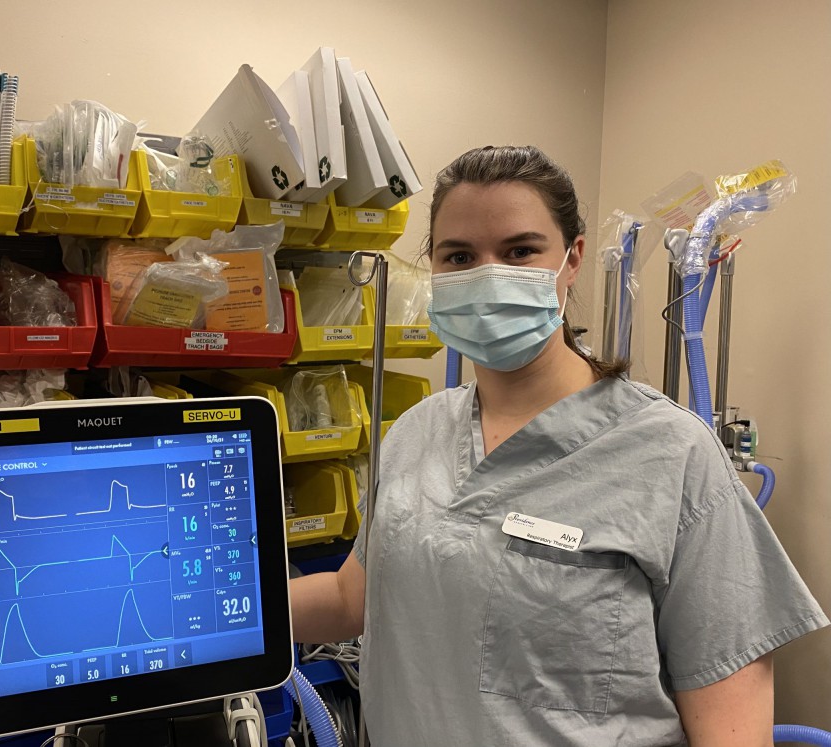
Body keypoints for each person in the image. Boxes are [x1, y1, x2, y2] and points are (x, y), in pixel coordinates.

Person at [290, 145, 828, 746]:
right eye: (460, 256)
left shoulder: (671, 455)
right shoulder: (419, 431)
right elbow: (351, 597)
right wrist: (208, 610)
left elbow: (732, 727)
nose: (488, 276)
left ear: (571, 260)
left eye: (520, 251)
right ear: (435, 272)